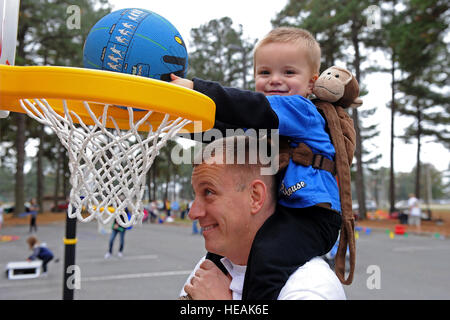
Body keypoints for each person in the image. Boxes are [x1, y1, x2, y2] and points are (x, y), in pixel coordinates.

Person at [172, 27, 342, 299]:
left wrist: (196, 90)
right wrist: (173, 116)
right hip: (283, 211)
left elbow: (250, 107)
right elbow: (221, 128)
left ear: (311, 84)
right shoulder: (265, 126)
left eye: (288, 72)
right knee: (218, 254)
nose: (275, 80)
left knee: (268, 259)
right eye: (265, 73)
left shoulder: (302, 110)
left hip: (312, 216)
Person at [179, 136, 346, 300]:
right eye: (196, 195)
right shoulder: (210, 269)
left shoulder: (311, 287)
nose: (193, 212)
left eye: (208, 192)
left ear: (255, 197)